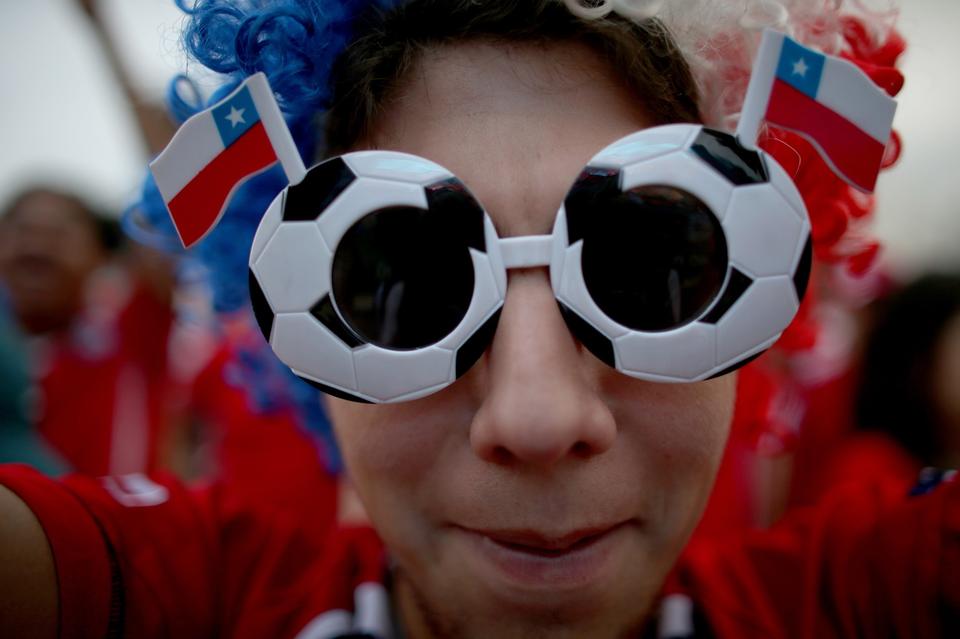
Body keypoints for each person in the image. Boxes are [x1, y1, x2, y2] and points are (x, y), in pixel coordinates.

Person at [1, 1, 955, 637]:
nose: (536, 420)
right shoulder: (197, 598)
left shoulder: (859, 602)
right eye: (401, 278)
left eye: (655, 265)